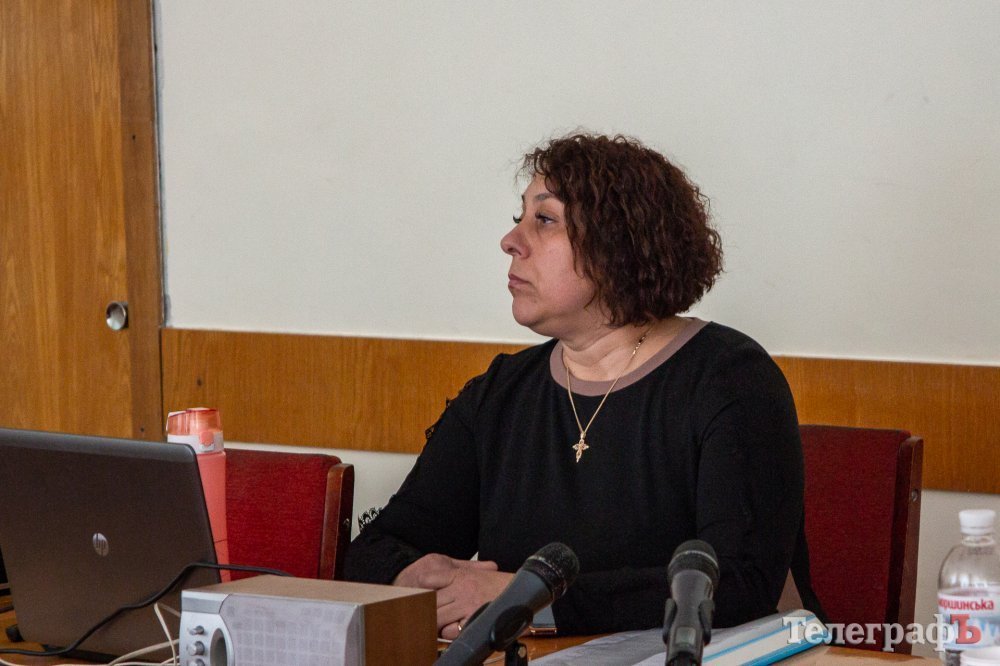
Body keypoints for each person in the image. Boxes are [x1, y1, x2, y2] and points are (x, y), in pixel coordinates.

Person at [343, 133, 823, 638]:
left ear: (620, 245)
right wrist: (411, 577)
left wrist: (528, 601)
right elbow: (375, 548)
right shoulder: (500, 393)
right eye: (519, 217)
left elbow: (740, 586)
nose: (510, 241)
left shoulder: (731, 379)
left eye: (545, 219)